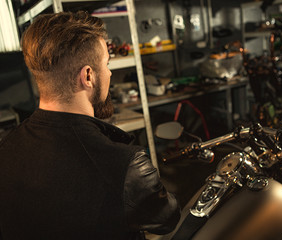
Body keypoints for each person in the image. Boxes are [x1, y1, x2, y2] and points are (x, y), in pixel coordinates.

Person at [0, 11, 180, 239]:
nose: (110, 72)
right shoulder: (124, 165)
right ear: (88, 76)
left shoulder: (6, 149)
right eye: (106, 63)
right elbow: (166, 219)